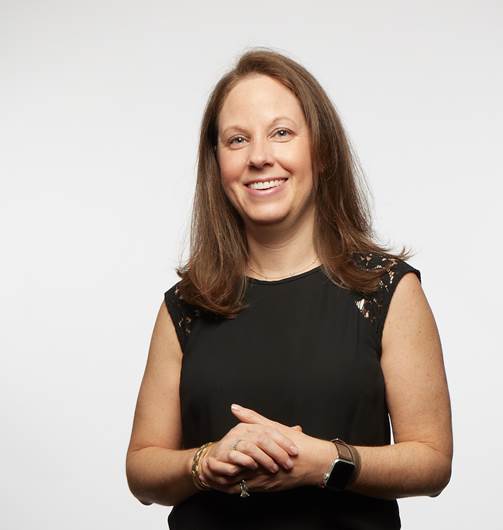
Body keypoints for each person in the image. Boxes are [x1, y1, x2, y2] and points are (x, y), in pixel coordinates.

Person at [125, 48, 453, 529]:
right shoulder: (187, 305)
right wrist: (206, 462)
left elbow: (431, 462)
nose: (260, 157)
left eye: (281, 133)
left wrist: (321, 462)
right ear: (217, 164)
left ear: (320, 152)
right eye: (237, 140)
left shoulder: (386, 290)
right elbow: (142, 469)